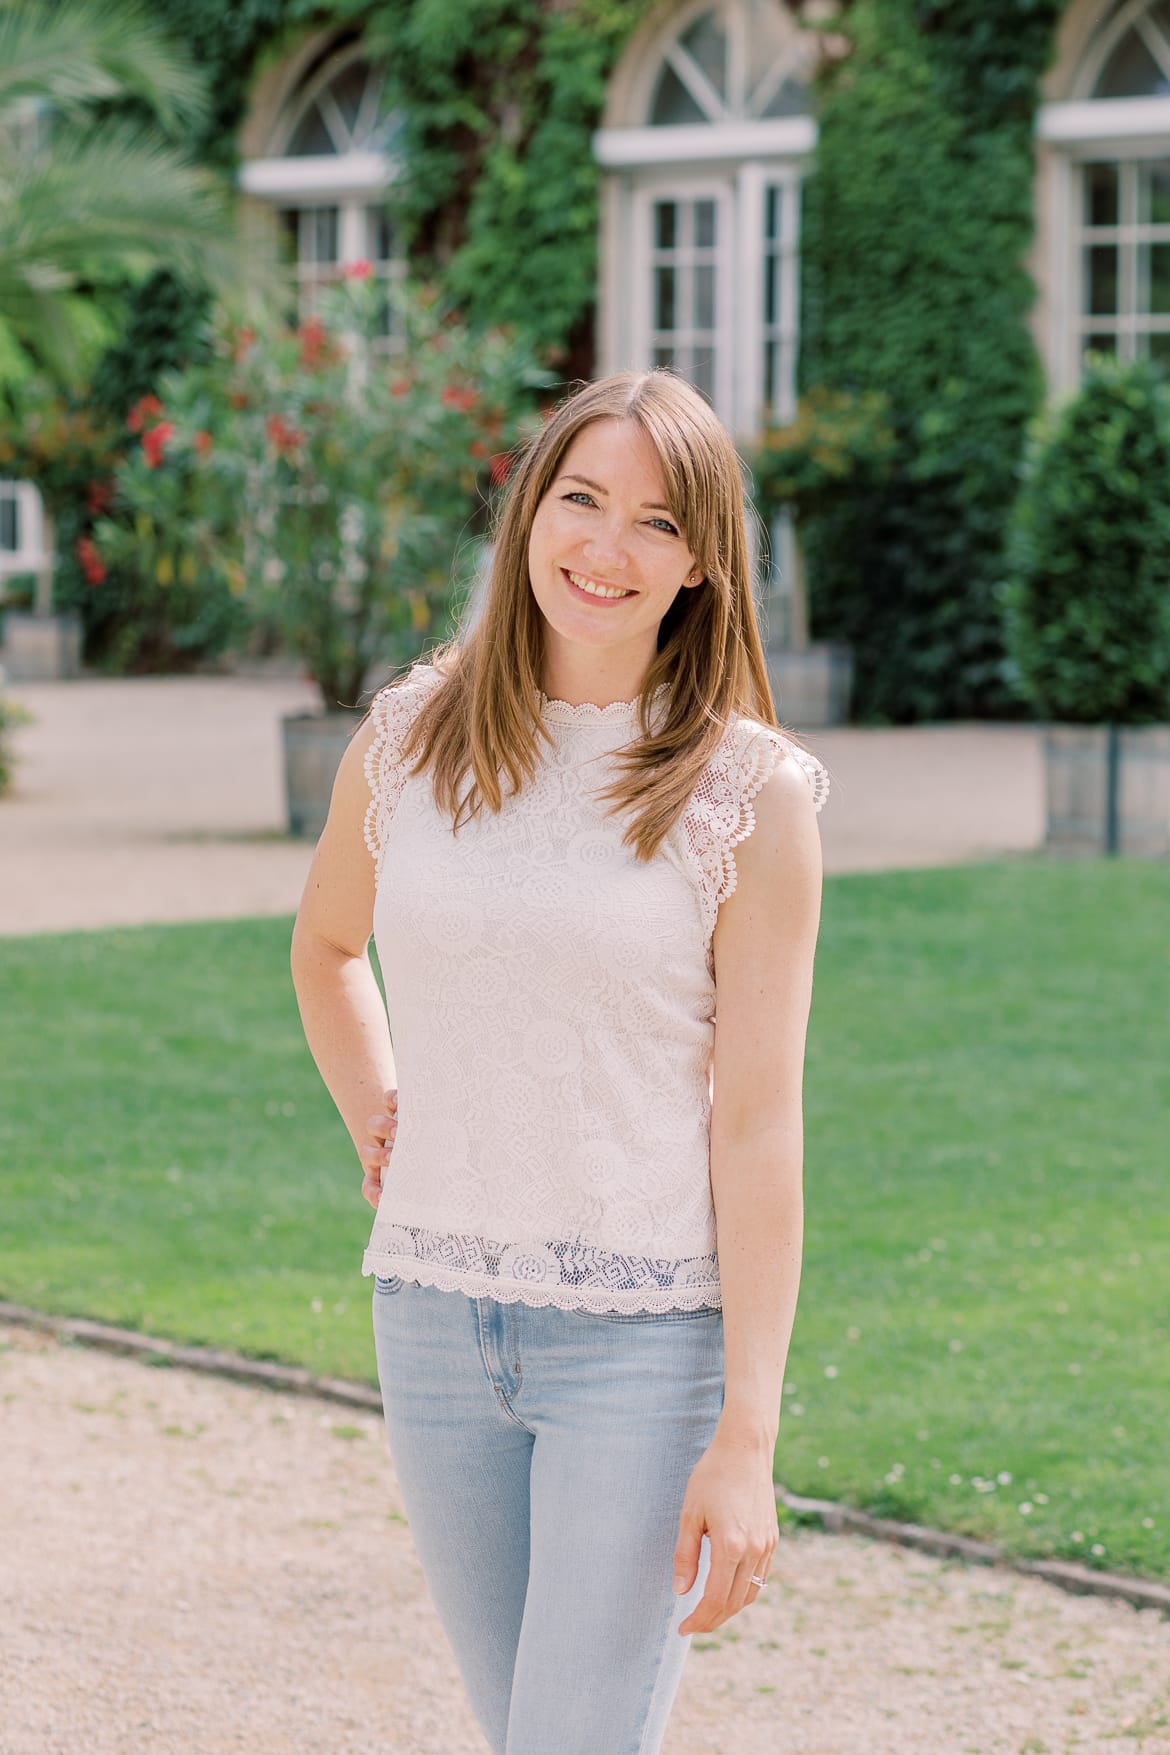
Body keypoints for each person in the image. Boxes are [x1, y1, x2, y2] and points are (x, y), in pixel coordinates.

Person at [290, 369, 828, 1754]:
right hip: (431, 1316)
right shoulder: (409, 737)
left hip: (641, 1347)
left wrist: (748, 1437)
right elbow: (328, 947)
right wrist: (380, 1116)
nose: (604, 548)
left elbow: (761, 1121)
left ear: (703, 560)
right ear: (530, 509)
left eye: (655, 521)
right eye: (580, 499)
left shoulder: (747, 794)